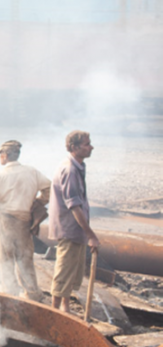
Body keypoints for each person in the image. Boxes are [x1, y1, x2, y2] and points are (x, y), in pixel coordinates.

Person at [0, 140, 51, 301]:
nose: (0, 158)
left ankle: (10, 294)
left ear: (5, 155)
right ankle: (32, 293)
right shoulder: (32, 172)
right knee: (25, 258)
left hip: (6, 221)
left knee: (6, 258)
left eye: (0, 155)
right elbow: (48, 189)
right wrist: (38, 203)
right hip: (25, 221)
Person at [48, 131, 99, 313]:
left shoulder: (78, 166)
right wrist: (91, 235)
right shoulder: (69, 170)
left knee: (72, 271)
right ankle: (53, 312)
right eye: (86, 144)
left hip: (75, 229)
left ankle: (65, 306)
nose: (91, 147)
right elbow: (74, 206)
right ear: (74, 148)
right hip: (69, 228)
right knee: (64, 271)